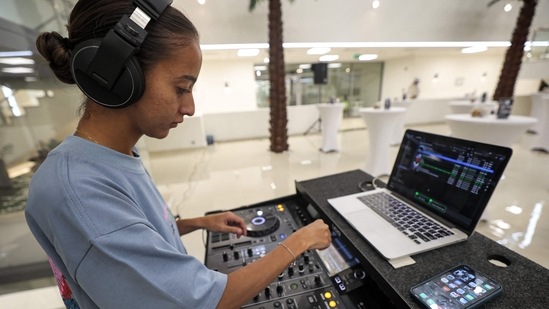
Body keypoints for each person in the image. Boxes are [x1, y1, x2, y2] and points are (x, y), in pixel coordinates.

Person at [25, 1, 332, 308]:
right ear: (120, 75)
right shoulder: (77, 190)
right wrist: (299, 242)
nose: (189, 108)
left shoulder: (113, 157)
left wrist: (198, 222)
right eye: (181, 88)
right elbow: (199, 302)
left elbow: (131, 235)